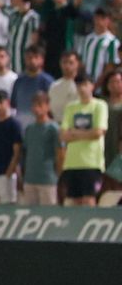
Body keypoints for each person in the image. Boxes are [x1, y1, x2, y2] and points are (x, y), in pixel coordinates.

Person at [60, 73, 108, 206]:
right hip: (72, 163)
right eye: (79, 85)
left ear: (92, 86)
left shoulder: (100, 105)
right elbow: (63, 135)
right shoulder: (71, 107)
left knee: (89, 200)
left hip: (91, 163)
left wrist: (74, 133)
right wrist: (86, 133)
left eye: (85, 84)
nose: (82, 88)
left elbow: (98, 132)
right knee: (71, 201)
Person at [21, 92, 61, 205]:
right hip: (30, 178)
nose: (36, 108)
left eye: (40, 105)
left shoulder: (53, 128)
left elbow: (60, 153)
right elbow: (26, 152)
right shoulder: (29, 128)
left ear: (47, 106)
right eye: (34, 105)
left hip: (47, 178)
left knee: (48, 213)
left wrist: (58, 174)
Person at [80, 7, 120, 82]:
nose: (99, 21)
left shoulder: (112, 42)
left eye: (103, 18)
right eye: (97, 18)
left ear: (108, 20)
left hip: (102, 86)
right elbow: (83, 63)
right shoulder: (88, 39)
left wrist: (96, 85)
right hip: (87, 84)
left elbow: (110, 67)